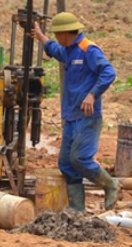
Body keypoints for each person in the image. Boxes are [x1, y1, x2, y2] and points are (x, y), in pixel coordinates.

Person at [31, 12, 119, 212]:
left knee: (79, 158)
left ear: (63, 33)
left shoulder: (88, 49)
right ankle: (78, 212)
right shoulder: (69, 50)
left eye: (56, 34)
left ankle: (109, 184)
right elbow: (55, 50)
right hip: (71, 116)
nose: (57, 39)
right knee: (66, 164)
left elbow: (109, 72)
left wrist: (92, 94)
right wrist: (41, 37)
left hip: (87, 116)